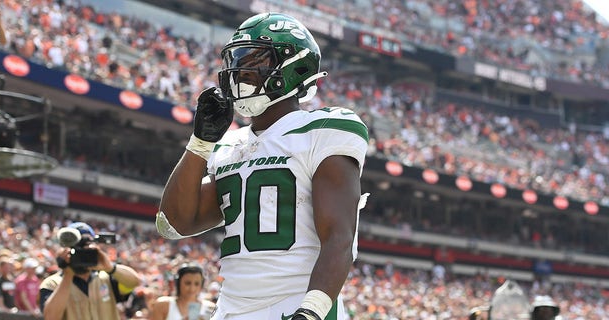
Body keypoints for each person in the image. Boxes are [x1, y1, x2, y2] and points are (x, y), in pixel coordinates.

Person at [156, 12, 369, 320]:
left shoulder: (323, 129)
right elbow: (173, 223)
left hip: (295, 305)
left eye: (256, 60)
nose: (239, 70)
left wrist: (311, 311)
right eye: (237, 59)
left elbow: (340, 235)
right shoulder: (229, 144)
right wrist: (200, 142)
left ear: (294, 66)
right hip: (232, 309)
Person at [39, 222, 141, 320]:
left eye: (88, 247)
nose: (84, 253)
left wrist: (110, 267)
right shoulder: (52, 283)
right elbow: (51, 317)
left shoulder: (105, 278)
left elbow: (134, 281)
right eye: (79, 249)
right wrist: (68, 274)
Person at [150, 263, 216, 320]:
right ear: (178, 283)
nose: (192, 288)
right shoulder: (163, 305)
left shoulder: (210, 308)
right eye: (187, 283)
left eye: (197, 284)